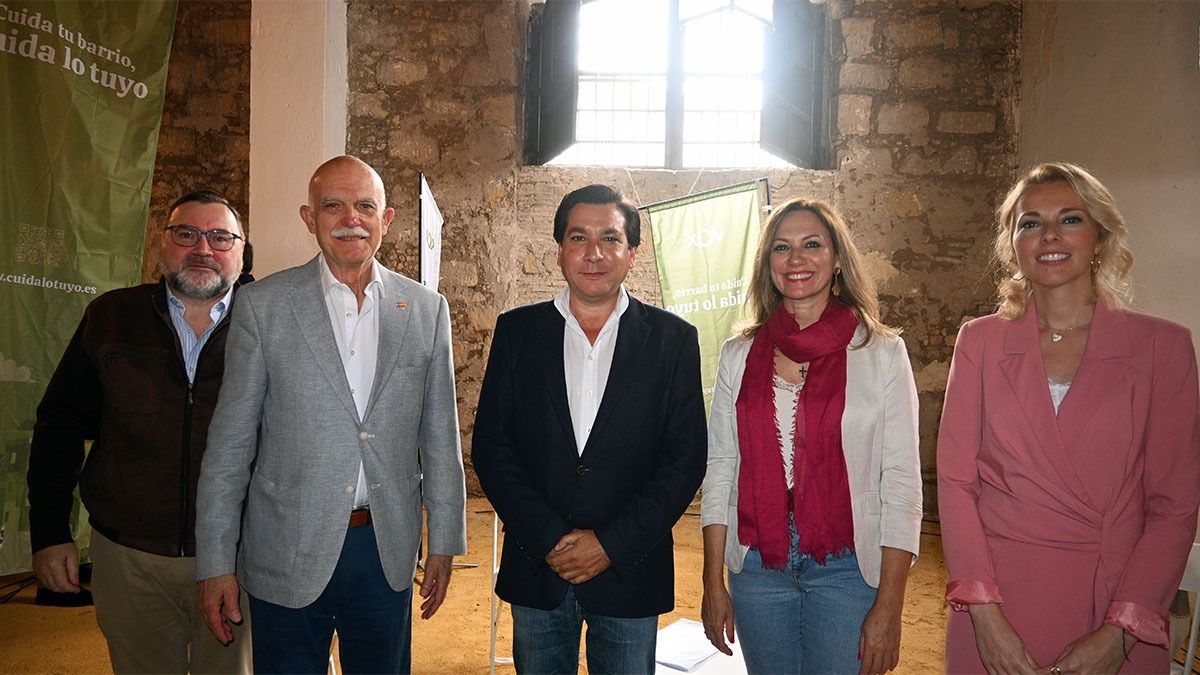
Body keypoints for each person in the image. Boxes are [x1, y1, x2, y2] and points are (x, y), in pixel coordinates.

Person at [195, 155, 467, 674]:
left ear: (386, 220)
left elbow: (440, 438)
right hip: (284, 550)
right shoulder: (263, 307)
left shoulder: (427, 311)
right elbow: (229, 448)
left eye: (365, 206)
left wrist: (445, 539)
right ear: (309, 217)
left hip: (384, 550)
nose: (351, 218)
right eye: (333, 205)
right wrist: (215, 563)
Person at [938, 162, 1200, 674]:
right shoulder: (981, 341)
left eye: (1071, 219)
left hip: (1114, 605)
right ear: (1012, 244)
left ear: (1100, 236)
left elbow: (1174, 506)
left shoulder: (1163, 347)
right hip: (995, 601)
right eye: (1030, 222)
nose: (1050, 235)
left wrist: (1120, 634)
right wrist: (986, 618)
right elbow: (955, 481)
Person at [472, 184, 707, 674]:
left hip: (629, 568)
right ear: (560, 251)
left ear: (633, 254)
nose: (594, 253)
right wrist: (550, 538)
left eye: (610, 238)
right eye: (579, 238)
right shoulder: (518, 332)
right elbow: (493, 447)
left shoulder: (673, 341)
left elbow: (683, 460)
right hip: (539, 564)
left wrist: (610, 545)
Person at [27, 190, 252, 674]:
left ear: (241, 250)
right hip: (130, 558)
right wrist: (50, 532)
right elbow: (60, 425)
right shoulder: (111, 317)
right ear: (160, 245)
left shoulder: (270, 322)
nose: (203, 248)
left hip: (240, 556)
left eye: (220, 237)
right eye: (185, 234)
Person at [700, 197, 923, 675]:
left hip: (846, 565)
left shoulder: (881, 352)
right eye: (782, 247)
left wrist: (890, 606)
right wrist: (712, 580)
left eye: (812, 245)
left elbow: (901, 481)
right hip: (757, 564)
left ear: (838, 259)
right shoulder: (739, 354)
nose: (796, 259)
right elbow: (722, 466)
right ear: (768, 264)